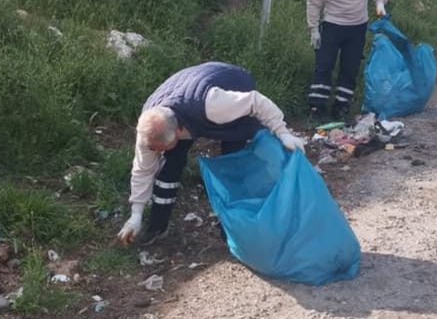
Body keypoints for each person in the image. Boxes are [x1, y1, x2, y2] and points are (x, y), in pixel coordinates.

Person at [116, 61, 306, 246]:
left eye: (161, 148)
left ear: (179, 131)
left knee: (233, 164)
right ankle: (157, 225)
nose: (156, 153)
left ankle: (234, 227)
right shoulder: (149, 127)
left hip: (231, 84)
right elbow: (143, 169)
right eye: (154, 149)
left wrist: (283, 132)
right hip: (184, 94)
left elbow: (256, 101)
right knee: (170, 163)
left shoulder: (214, 105)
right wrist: (136, 214)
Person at [306, 0, 388, 121]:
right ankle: (317, 108)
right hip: (332, 24)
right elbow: (314, 0)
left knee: (350, 67)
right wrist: (313, 28)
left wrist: (380, 2)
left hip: (358, 25)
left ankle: (341, 106)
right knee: (324, 65)